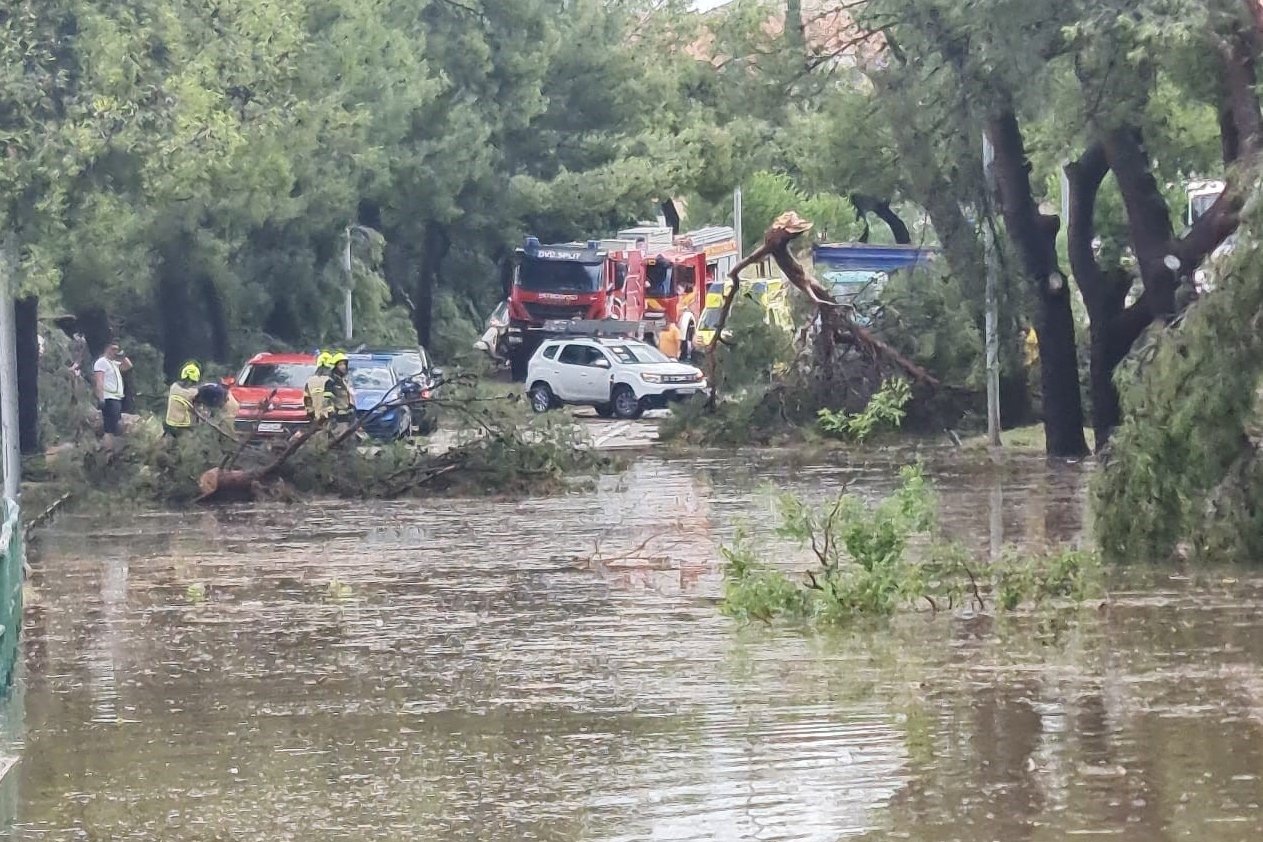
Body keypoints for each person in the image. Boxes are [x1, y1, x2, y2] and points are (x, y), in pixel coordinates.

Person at [93, 342, 132, 449]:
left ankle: (111, 448)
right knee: (110, 427)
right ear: (107, 349)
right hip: (109, 397)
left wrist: (122, 356)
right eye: (113, 349)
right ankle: (108, 449)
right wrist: (101, 398)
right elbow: (99, 380)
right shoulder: (101, 362)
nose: (115, 352)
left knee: (115, 425)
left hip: (117, 397)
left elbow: (128, 366)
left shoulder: (114, 363)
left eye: (117, 349)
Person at [164, 361, 202, 437]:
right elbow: (200, 410)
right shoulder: (194, 392)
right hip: (185, 426)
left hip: (169, 423)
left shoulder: (174, 386)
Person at [323, 352, 356, 434]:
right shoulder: (331, 381)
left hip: (347, 416)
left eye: (344, 364)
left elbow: (348, 396)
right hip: (337, 418)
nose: (343, 367)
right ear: (335, 366)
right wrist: (331, 412)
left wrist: (351, 407)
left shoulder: (344, 380)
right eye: (340, 364)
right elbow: (326, 398)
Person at [304, 352, 333, 425]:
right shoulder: (332, 381)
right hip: (329, 419)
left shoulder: (310, 381)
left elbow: (307, 400)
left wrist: (311, 413)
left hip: (315, 419)